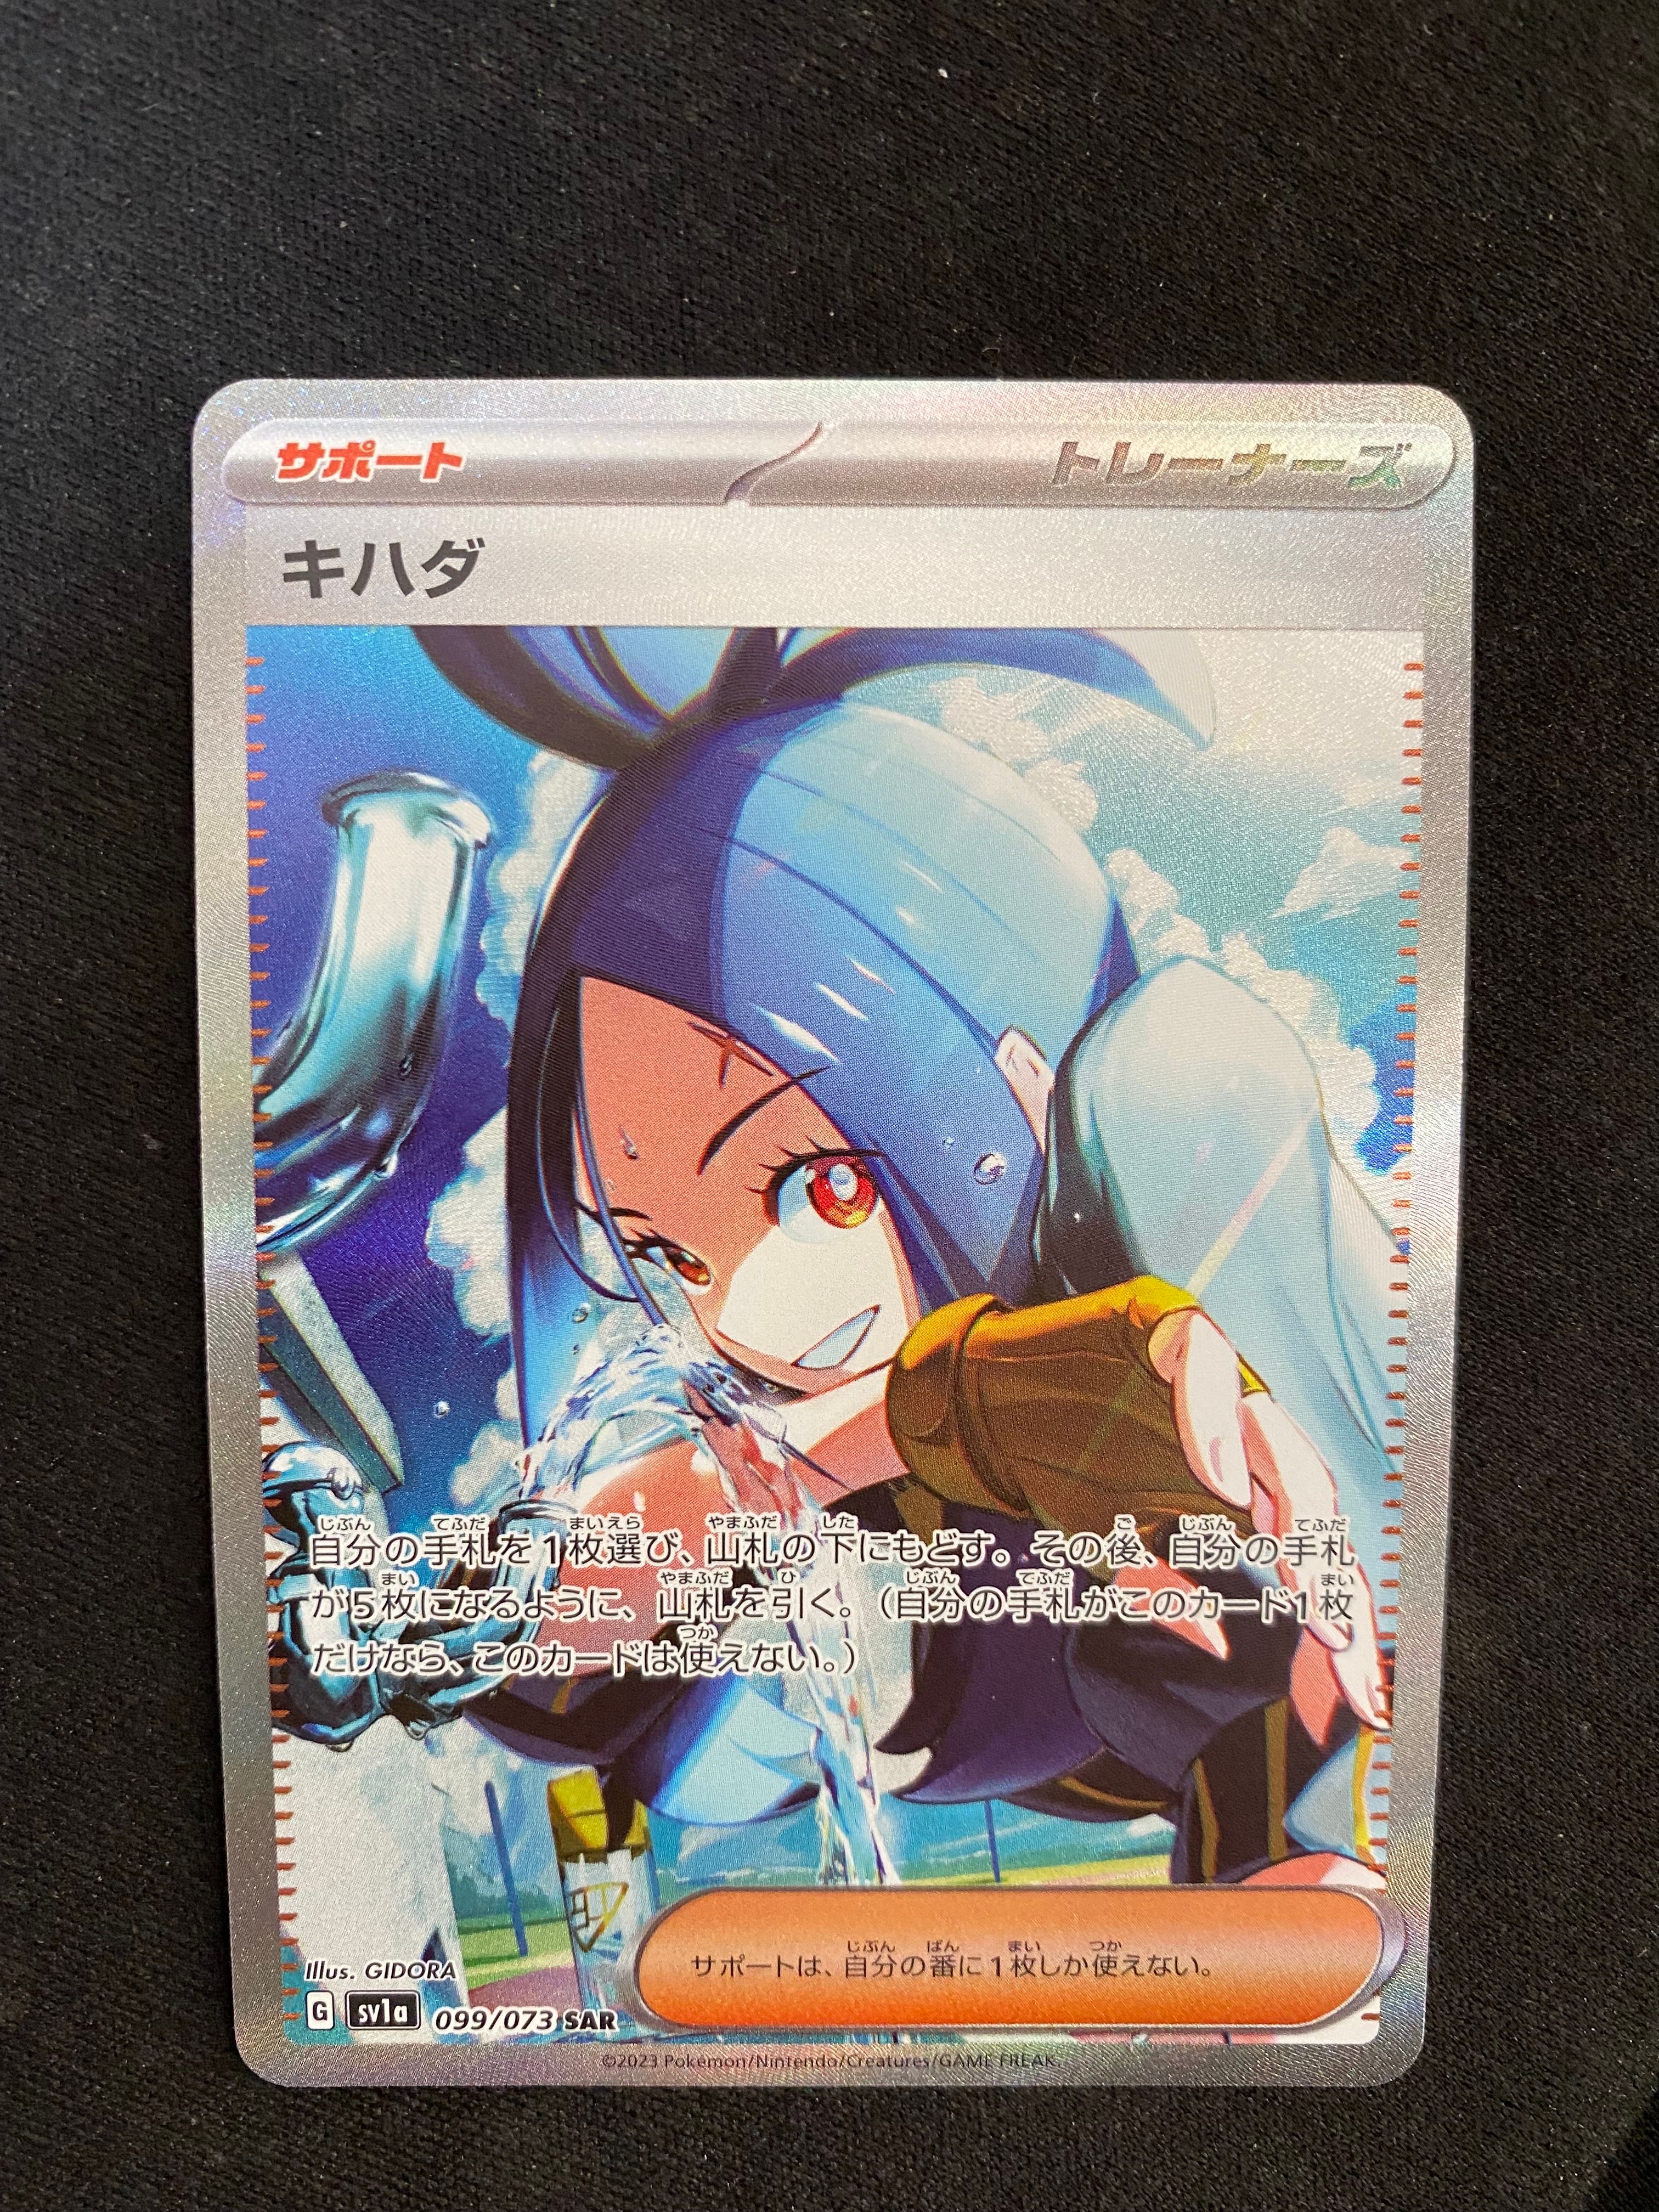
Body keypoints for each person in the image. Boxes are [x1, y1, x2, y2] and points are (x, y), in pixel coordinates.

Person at [419, 625, 1396, 1887]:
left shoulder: (1166, 1177)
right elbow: (515, 1641)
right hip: (965, 1699)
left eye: (815, 1189)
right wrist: (908, 1415)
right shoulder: (772, 1432)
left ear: (1022, 1085)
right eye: (665, 1249)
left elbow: (1322, 1596)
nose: (747, 1311)